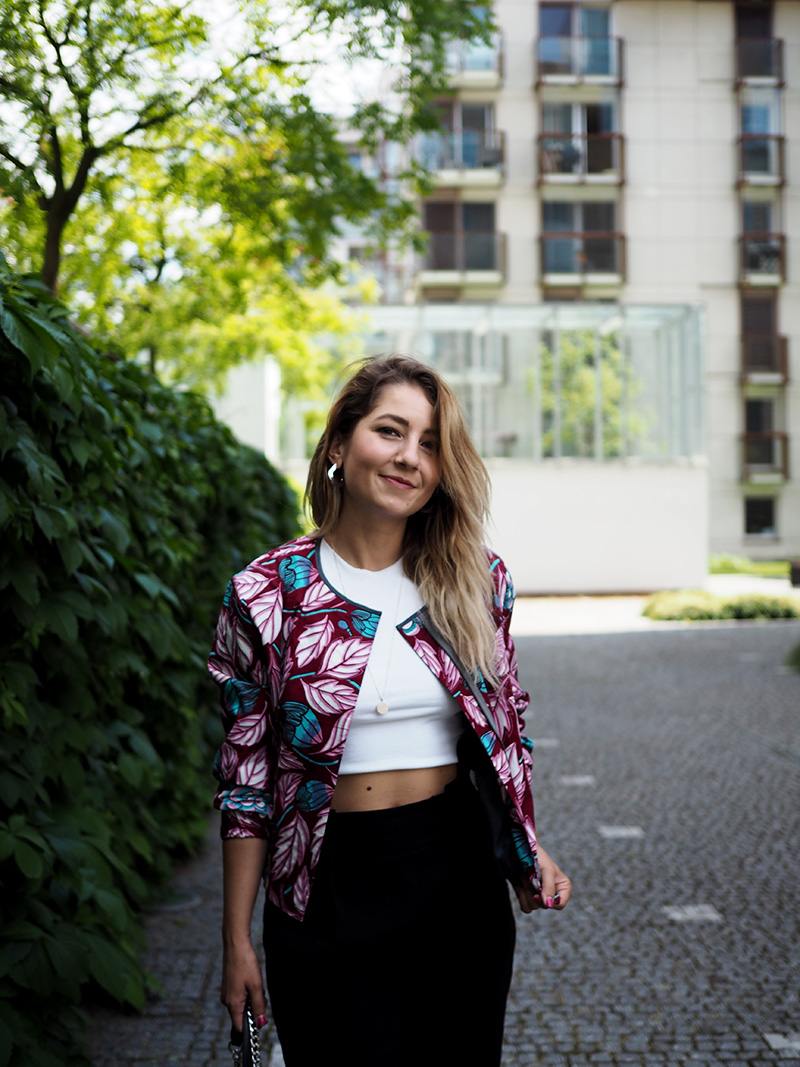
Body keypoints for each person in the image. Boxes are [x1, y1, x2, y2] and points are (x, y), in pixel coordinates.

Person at [209, 354, 571, 1067]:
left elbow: (507, 730)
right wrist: (236, 939)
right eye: (390, 430)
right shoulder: (265, 592)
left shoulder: (477, 580)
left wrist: (526, 843)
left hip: (456, 875)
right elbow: (246, 781)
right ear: (339, 443)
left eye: (431, 443)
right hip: (323, 882)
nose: (410, 456)